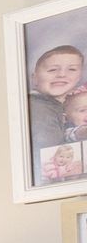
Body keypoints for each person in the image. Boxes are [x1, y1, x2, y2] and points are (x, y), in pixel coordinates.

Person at [29, 44, 84, 181]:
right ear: (34, 78)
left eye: (72, 69)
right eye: (52, 69)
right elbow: (48, 155)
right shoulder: (38, 108)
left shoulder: (69, 103)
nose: (62, 74)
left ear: (79, 76)